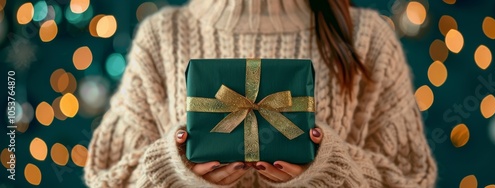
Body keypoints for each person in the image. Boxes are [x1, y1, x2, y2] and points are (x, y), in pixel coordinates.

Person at [84, 0, 438, 187]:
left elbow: (409, 180)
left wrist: (331, 172)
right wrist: (173, 170)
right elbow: (108, 179)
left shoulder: (367, 37)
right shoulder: (162, 35)